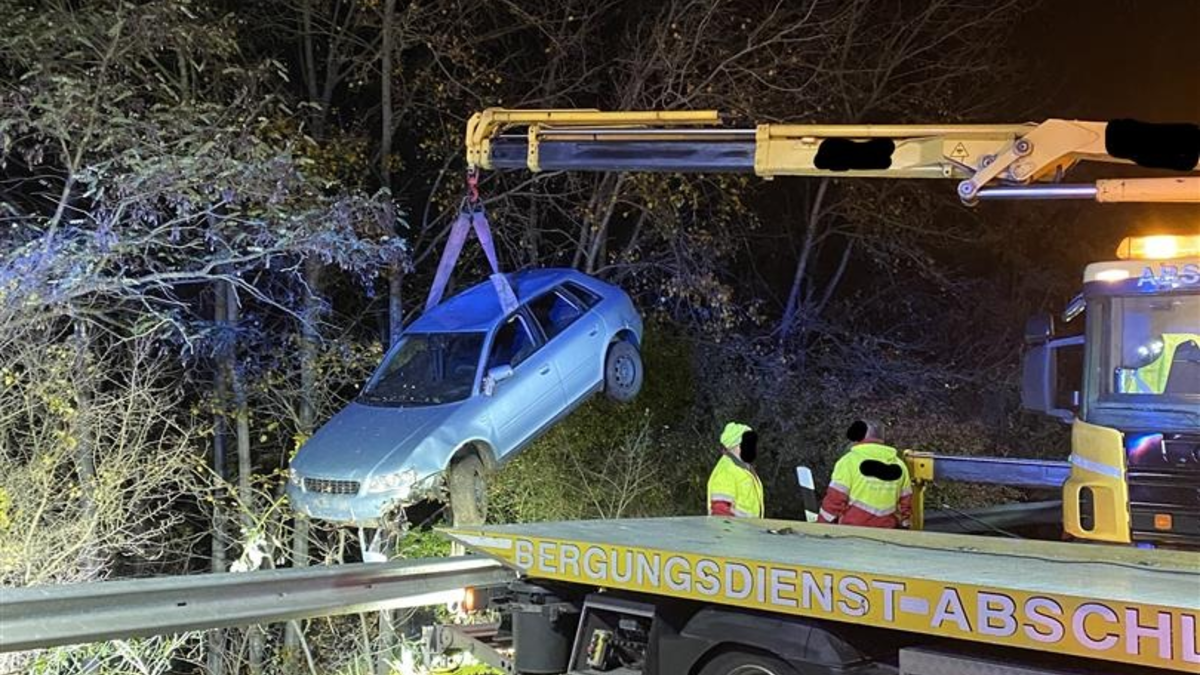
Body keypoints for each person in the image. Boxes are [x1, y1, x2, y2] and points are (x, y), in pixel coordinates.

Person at [818, 419, 912, 528]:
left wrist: (821, 525)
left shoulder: (848, 462)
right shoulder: (900, 465)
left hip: (854, 532)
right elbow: (906, 504)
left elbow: (835, 499)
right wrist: (905, 526)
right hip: (887, 532)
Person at [707, 422, 764, 518]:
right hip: (736, 532)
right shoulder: (726, 472)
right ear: (735, 445)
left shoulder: (743, 469)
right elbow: (720, 511)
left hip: (747, 531)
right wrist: (728, 532)